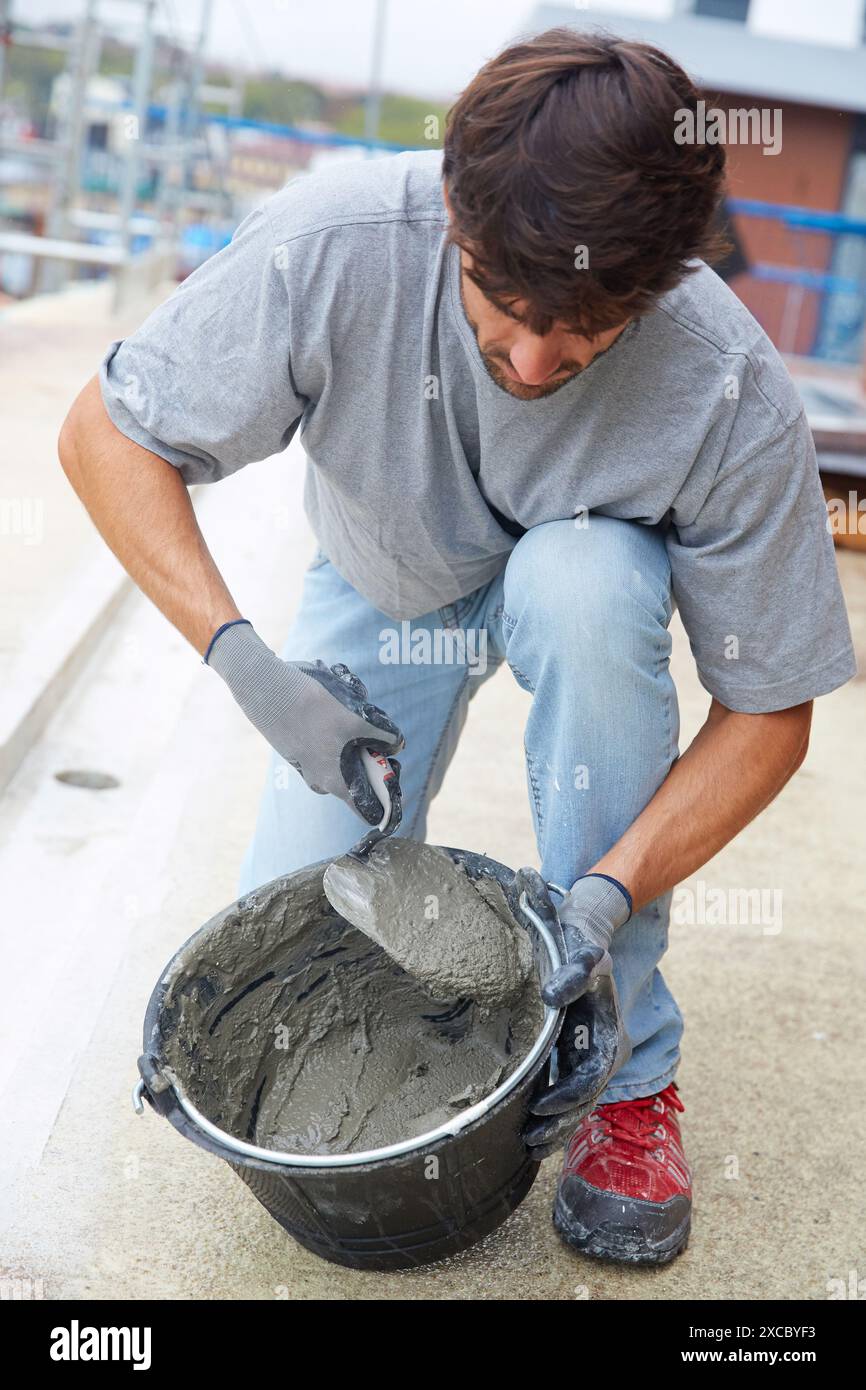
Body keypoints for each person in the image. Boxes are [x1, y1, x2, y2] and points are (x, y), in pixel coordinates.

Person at [59, 29, 855, 1267]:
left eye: (586, 328)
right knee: (301, 938)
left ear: (664, 280)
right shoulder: (336, 245)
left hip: (576, 582)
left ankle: (630, 1076)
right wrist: (250, 667)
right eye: (506, 307)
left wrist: (607, 889)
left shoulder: (724, 383)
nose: (534, 362)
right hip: (386, 574)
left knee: (586, 584)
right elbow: (106, 436)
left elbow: (773, 709)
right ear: (451, 215)